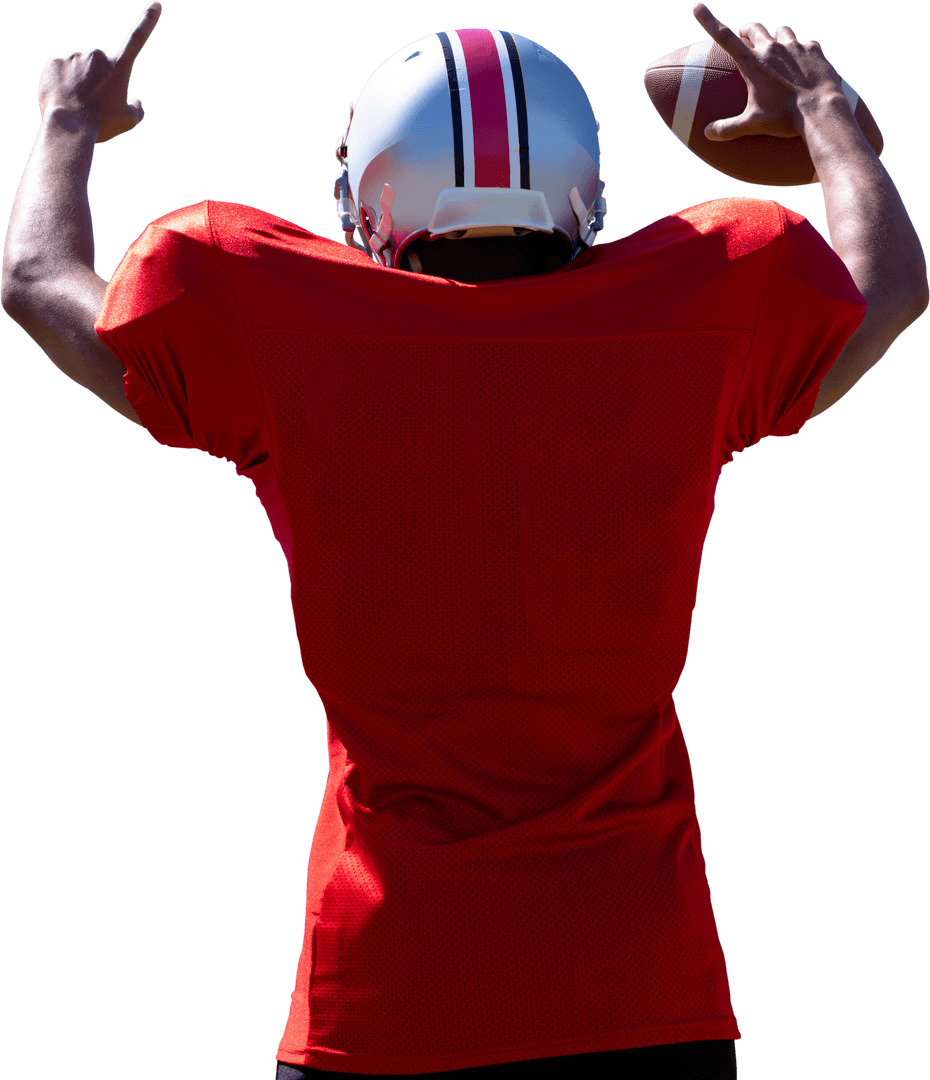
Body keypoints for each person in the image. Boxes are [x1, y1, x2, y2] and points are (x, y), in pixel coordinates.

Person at [2, 2, 925, 1077]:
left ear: (373, 187)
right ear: (579, 188)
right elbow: (889, 286)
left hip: (389, 991)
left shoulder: (261, 317)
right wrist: (826, 116)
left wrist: (67, 122)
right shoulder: (707, 303)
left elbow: (33, 278)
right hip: (638, 986)